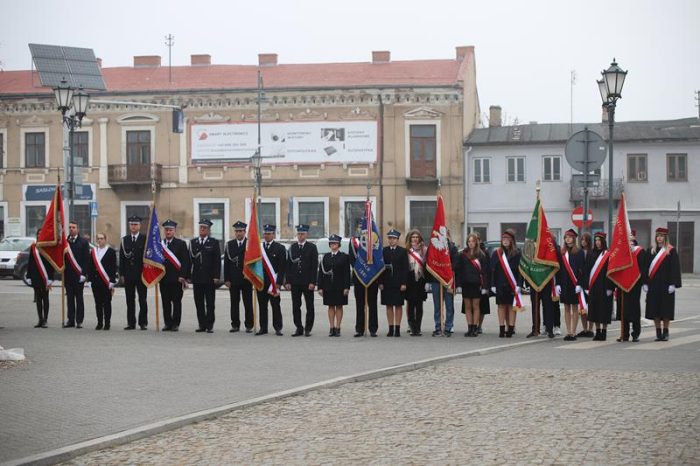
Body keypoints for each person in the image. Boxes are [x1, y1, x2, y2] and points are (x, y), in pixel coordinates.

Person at [645, 227, 682, 341]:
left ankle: (665, 331)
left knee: (666, 309)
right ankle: (658, 332)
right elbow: (645, 268)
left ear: (665, 237)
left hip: (666, 285)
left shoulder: (671, 251)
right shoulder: (651, 250)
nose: (659, 238)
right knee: (655, 309)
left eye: (661, 236)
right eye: (657, 236)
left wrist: (673, 284)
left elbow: (675, 268)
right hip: (654, 285)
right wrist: (645, 283)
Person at [285, 224, 318, 337]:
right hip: (295, 282)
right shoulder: (292, 248)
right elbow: (288, 266)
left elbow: (314, 266)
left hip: (307, 282)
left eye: (302, 234)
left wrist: (313, 282)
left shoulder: (312, 248)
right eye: (299, 234)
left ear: (306, 234)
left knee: (309, 306)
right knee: (296, 306)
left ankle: (308, 328)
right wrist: (288, 281)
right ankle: (299, 327)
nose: (300, 236)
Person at [189, 219, 221, 333]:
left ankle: (209, 325)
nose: (202, 229)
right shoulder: (193, 242)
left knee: (210, 303)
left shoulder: (213, 242)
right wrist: (188, 276)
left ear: (209, 230)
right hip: (197, 277)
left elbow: (217, 261)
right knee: (199, 303)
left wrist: (216, 276)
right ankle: (201, 324)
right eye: (201, 227)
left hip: (209, 278)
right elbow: (190, 260)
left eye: (205, 228)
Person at [490, 229, 522, 338]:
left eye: (507, 238)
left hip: (512, 284)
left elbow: (520, 271)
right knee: (501, 306)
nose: (505, 240)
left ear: (512, 240)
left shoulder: (517, 253)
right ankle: (501, 328)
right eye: (503, 238)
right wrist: (492, 284)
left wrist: (519, 284)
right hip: (499, 284)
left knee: (511, 307)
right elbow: (492, 270)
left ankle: (511, 329)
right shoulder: (497, 253)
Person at [317, 234, 351, 337]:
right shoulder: (325, 256)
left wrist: (347, 287)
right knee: (330, 306)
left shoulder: (344, 257)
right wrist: (320, 287)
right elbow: (321, 273)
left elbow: (347, 273)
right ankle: (331, 327)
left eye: (335, 243)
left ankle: (338, 327)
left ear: (339, 244)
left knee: (339, 306)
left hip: (340, 286)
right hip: (328, 286)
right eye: (331, 243)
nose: (333, 245)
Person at [616, 230, 646, 342]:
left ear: (634, 237)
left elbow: (643, 268)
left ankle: (635, 333)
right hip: (622, 284)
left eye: (631, 237)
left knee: (634, 309)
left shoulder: (640, 251)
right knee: (623, 310)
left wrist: (643, 282)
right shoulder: (621, 251)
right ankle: (624, 334)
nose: (629, 239)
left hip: (635, 284)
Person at [456, 233, 489, 337]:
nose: (471, 243)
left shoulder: (481, 255)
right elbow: (459, 271)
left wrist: (485, 287)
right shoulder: (462, 255)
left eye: (473, 241)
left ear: (476, 242)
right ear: (467, 242)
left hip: (476, 284)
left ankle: (475, 327)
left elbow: (484, 272)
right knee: (468, 306)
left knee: (476, 306)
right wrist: (459, 285)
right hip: (466, 284)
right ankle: (469, 327)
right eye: (469, 241)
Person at [160, 220, 190, 332]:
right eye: (166, 230)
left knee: (176, 302)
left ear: (174, 231)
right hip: (163, 278)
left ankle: (175, 324)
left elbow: (185, 261)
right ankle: (167, 323)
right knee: (165, 302)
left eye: (170, 230)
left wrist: (183, 276)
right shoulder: (160, 244)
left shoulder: (181, 244)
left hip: (177, 278)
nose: (168, 232)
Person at [224, 221, 253, 333]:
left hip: (247, 278)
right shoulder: (229, 244)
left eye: (240, 231)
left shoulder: (249, 244)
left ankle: (249, 324)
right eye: (236, 231)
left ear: (245, 232)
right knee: (234, 303)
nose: (238, 233)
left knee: (248, 302)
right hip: (234, 278)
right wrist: (226, 279)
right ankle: (235, 324)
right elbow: (227, 263)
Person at [349, 232, 380, 337]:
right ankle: (359, 329)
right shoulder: (354, 241)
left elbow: (378, 257)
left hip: (372, 276)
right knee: (359, 304)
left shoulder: (374, 239)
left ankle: (373, 329)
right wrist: (361, 269)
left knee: (372, 303)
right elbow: (352, 259)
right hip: (359, 276)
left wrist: (370, 270)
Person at [120, 215, 148, 330]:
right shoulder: (124, 240)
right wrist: (121, 274)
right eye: (131, 224)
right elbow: (122, 258)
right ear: (129, 226)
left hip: (141, 274)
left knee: (142, 300)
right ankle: (131, 323)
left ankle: (143, 322)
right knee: (129, 300)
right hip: (128, 274)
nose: (133, 226)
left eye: (135, 224)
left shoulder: (144, 239)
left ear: (140, 226)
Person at [584, 232, 614, 341]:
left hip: (605, 286)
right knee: (594, 309)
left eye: (599, 240)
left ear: (603, 241)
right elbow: (586, 271)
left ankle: (604, 332)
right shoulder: (590, 253)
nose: (597, 242)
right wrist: (586, 286)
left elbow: (611, 272)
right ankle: (597, 331)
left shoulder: (608, 254)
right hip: (593, 286)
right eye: (596, 240)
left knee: (604, 309)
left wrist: (610, 287)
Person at [428, 230, 458, 337]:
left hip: (448, 280)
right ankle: (438, 326)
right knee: (437, 306)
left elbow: (455, 264)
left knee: (449, 305)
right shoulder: (433, 248)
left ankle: (448, 327)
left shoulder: (452, 248)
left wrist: (445, 269)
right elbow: (430, 263)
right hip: (436, 280)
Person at [257, 224, 286, 336]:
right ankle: (263, 328)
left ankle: (278, 327)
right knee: (262, 306)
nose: (267, 236)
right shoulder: (259, 248)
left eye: (269, 234)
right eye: (265, 233)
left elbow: (282, 267)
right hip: (261, 282)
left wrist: (279, 283)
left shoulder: (280, 248)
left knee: (275, 306)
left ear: (273, 234)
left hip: (273, 283)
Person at [559, 229, 586, 341]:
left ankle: (574, 332)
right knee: (566, 307)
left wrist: (579, 284)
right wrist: (558, 284)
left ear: (574, 239)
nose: (567, 239)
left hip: (574, 284)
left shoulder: (578, 252)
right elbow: (559, 269)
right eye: (566, 237)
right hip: (564, 283)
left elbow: (582, 269)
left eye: (569, 237)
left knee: (575, 308)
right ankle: (568, 331)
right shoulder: (562, 252)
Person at [380, 229, 408, 337]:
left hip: (398, 282)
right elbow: (381, 268)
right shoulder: (384, 251)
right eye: (390, 238)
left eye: (394, 238)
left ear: (397, 239)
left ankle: (397, 328)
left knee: (398, 305)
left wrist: (404, 283)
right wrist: (380, 282)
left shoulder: (402, 251)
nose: (391, 240)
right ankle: (390, 328)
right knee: (389, 306)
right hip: (387, 282)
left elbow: (405, 268)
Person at [88, 232, 117, 330]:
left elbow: (113, 267)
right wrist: (90, 279)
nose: (99, 240)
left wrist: (112, 281)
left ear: (105, 239)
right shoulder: (93, 252)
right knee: (98, 303)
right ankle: (99, 322)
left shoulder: (111, 251)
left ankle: (107, 323)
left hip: (106, 282)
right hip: (96, 282)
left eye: (101, 238)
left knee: (107, 303)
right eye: (98, 239)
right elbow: (90, 266)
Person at [63, 220, 90, 328]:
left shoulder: (83, 242)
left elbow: (86, 259)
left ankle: (79, 320)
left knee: (79, 298)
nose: (71, 229)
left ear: (78, 229)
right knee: (69, 298)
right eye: (70, 227)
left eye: (73, 227)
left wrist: (84, 274)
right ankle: (70, 320)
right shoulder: (65, 242)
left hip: (79, 276)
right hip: (68, 275)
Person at [26, 230, 54, 328]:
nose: (39, 235)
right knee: (38, 299)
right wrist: (28, 276)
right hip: (35, 276)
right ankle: (40, 319)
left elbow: (51, 263)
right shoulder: (34, 247)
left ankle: (45, 320)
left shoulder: (47, 247)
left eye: (41, 234)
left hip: (45, 277)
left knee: (45, 298)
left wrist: (51, 278)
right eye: (38, 234)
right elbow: (30, 262)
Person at [405, 229, 428, 336]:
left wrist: (428, 282)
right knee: (410, 305)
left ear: (420, 238)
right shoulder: (406, 250)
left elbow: (427, 267)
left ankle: (418, 327)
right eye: (413, 237)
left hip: (420, 279)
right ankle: (412, 327)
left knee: (419, 305)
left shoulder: (424, 250)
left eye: (416, 237)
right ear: (410, 238)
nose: (415, 239)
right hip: (410, 280)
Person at [576, 232, 595, 338]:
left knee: (590, 308)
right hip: (581, 284)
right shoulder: (578, 252)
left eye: (585, 239)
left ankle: (590, 329)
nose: (583, 241)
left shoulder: (593, 253)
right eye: (582, 239)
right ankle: (584, 329)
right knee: (582, 308)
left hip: (590, 283)